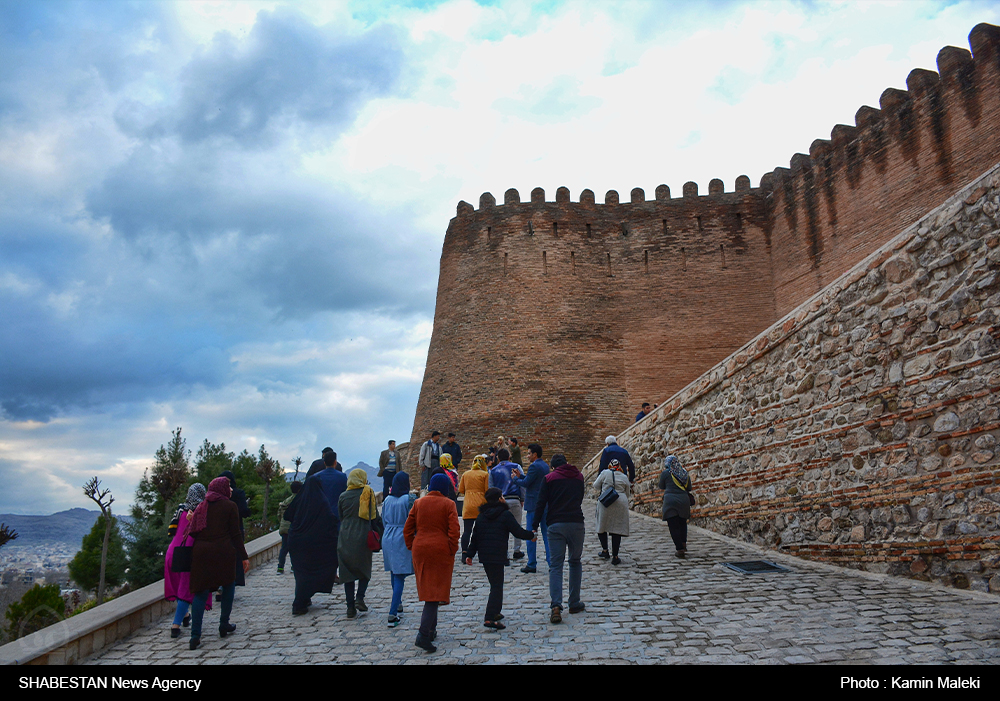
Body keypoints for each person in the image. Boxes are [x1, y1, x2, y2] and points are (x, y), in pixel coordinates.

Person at [188, 477, 249, 650]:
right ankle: (224, 624)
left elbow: (193, 531)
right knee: (229, 586)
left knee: (200, 593)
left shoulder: (202, 506)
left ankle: (195, 635)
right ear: (221, 488)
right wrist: (244, 556)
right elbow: (235, 534)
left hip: (201, 553)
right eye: (228, 486)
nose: (230, 489)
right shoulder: (230, 506)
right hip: (223, 552)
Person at [404, 473, 460, 653]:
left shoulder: (418, 503)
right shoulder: (449, 504)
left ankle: (431, 630)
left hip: (420, 549)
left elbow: (408, 528)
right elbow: (454, 531)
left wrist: (412, 545)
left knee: (431, 590)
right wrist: (452, 549)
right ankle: (422, 634)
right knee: (434, 593)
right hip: (440, 550)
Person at [464, 488, 536, 629]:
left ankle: (496, 612)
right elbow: (518, 531)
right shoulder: (505, 515)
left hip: (485, 556)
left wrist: (469, 554)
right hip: (497, 554)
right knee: (497, 587)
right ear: (498, 499)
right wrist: (531, 536)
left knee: (495, 584)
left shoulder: (481, 516)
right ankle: (490, 617)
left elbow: (475, 537)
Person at [530, 454, 585, 624]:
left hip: (555, 524)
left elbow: (541, 503)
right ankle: (574, 602)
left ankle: (556, 605)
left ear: (553, 467)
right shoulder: (579, 476)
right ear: (567, 463)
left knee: (556, 565)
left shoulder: (549, 478)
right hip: (576, 523)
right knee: (575, 561)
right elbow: (580, 498)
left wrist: (534, 525)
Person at [285, 477, 337, 615]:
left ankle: (305, 597)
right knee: (313, 571)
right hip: (314, 543)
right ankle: (299, 603)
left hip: (296, 541)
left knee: (301, 572)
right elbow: (330, 521)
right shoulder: (321, 501)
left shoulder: (299, 499)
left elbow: (287, 515)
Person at [164, 483, 209, 638]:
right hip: (189, 554)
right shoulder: (201, 511)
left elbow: (172, 531)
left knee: (178, 587)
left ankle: (184, 616)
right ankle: (175, 626)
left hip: (172, 552)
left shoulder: (180, 510)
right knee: (185, 589)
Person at [338, 469, 377, 618]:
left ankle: (350, 607)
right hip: (363, 535)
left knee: (347, 573)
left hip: (345, 536)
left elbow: (340, 516)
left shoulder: (343, 496)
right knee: (364, 569)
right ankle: (359, 597)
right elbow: (374, 516)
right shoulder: (368, 493)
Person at [381, 471, 415, 627]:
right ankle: (392, 613)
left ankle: (398, 602)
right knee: (400, 574)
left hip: (388, 536)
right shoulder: (408, 499)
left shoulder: (387, 500)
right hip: (402, 535)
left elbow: (383, 520)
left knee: (394, 572)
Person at [511, 443, 549, 573]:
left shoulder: (534, 466)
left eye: (528, 453)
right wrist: (520, 476)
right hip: (544, 504)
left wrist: (515, 480)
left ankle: (532, 563)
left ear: (535, 454)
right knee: (546, 534)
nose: (527, 456)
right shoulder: (544, 466)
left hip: (533, 504)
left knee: (531, 534)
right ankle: (551, 561)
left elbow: (527, 483)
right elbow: (531, 480)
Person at [313, 450, 348, 581]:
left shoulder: (316, 478)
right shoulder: (342, 477)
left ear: (324, 462)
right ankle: (334, 573)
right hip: (337, 517)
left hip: (320, 517)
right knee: (336, 546)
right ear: (335, 462)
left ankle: (321, 572)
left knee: (322, 546)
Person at [489, 448, 526, 560]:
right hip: (515, 499)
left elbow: (491, 488)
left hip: (501, 501)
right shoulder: (516, 467)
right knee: (517, 526)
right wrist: (522, 498)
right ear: (509, 457)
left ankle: (504, 551)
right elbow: (522, 484)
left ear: (498, 458)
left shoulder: (493, 470)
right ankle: (517, 550)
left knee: (501, 527)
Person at [593, 459, 631, 565]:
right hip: (620, 501)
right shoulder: (624, 477)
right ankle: (615, 556)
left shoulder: (605, 473)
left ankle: (605, 550)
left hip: (606, 500)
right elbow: (628, 492)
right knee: (617, 528)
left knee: (602, 525)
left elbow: (596, 485)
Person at [658, 455, 694, 558]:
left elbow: (661, 486)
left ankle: (679, 549)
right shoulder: (684, 473)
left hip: (670, 501)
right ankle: (683, 543)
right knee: (682, 523)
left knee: (673, 525)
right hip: (684, 501)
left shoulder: (666, 473)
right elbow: (689, 487)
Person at [458, 455, 490, 559]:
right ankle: (483, 552)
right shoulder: (485, 474)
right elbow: (487, 490)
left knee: (467, 531)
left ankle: (464, 552)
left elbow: (461, 490)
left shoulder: (466, 474)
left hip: (468, 504)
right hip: (481, 505)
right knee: (482, 530)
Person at [276, 480, 302, 574]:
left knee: (284, 548)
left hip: (284, 528)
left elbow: (279, 515)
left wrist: (282, 523)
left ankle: (280, 567)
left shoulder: (285, 501)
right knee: (295, 548)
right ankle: (293, 566)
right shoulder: (300, 500)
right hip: (294, 528)